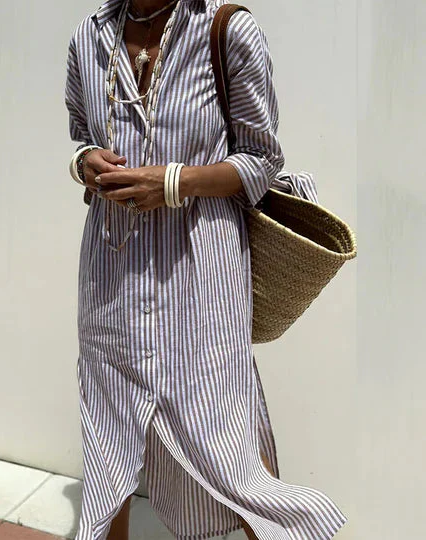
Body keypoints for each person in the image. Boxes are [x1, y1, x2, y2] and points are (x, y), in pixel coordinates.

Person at [64, 0, 348, 539]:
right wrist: (85, 164)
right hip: (111, 268)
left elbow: (261, 159)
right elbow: (82, 135)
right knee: (107, 430)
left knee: (224, 435)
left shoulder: (226, 28)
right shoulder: (89, 36)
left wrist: (173, 182)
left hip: (201, 267)